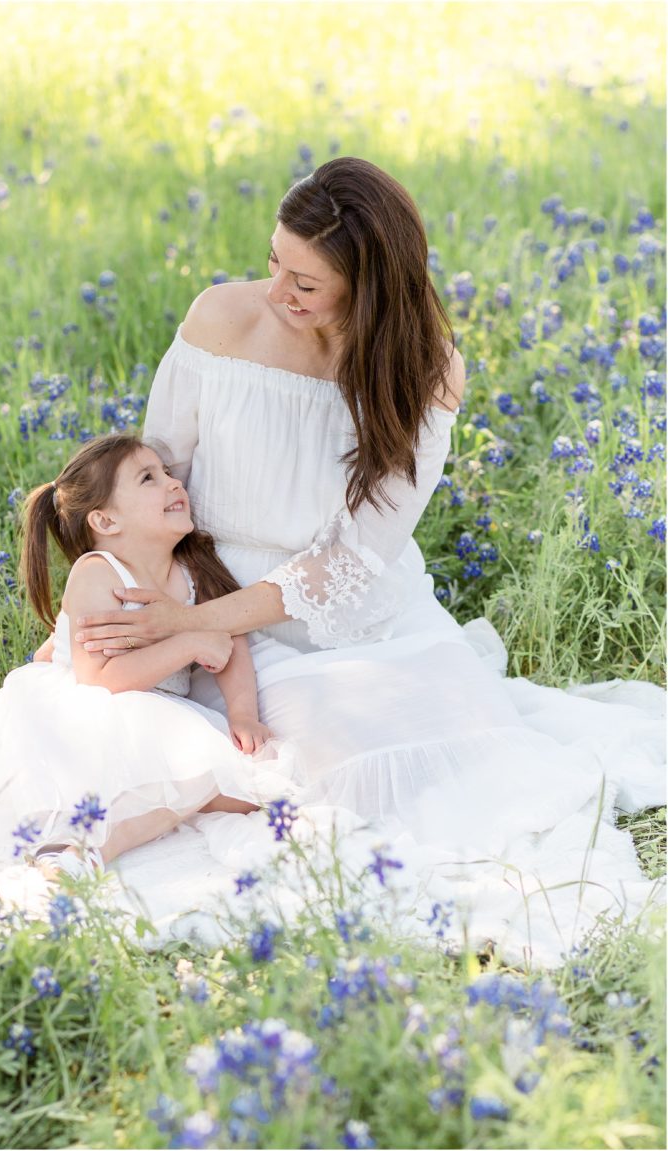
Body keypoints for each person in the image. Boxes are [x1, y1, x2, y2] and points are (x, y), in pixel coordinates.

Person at [57, 158, 661, 962]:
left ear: (368, 287)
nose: (278, 291)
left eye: (305, 282)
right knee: (255, 752)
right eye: (274, 261)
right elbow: (159, 470)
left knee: (422, 778)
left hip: (350, 614)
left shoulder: (425, 369)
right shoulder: (220, 321)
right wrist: (124, 598)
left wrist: (195, 620)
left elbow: (348, 563)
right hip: (212, 592)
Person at [0, 434, 300, 878]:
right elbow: (98, 679)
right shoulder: (98, 573)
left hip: (157, 713)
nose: (174, 484)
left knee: (250, 789)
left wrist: (243, 713)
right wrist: (190, 642)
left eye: (169, 473)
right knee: (207, 777)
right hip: (84, 715)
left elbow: (232, 642)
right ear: (106, 519)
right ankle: (92, 845)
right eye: (148, 478)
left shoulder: (194, 569)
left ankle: (114, 829)